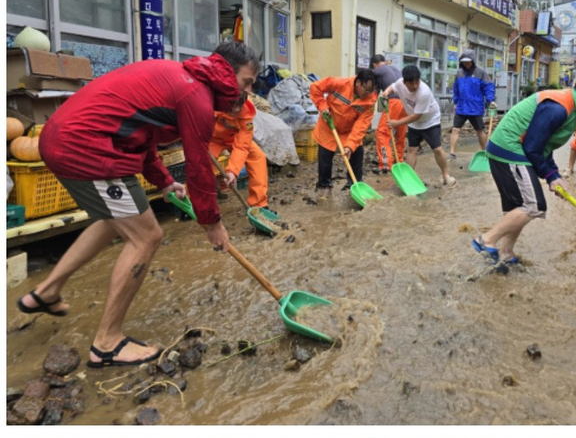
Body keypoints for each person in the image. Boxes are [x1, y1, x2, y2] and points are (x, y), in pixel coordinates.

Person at [18, 42, 258, 368]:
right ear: (228, 72)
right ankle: (107, 343)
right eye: (246, 83)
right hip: (86, 147)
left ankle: (46, 291)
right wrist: (212, 223)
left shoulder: (183, 79)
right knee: (146, 236)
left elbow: (143, 134)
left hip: (67, 139)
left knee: (111, 221)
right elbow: (198, 165)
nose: (247, 92)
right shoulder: (195, 97)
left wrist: (163, 182)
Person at [472, 67, 576, 268]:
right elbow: (533, 147)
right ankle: (486, 240)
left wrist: (553, 175)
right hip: (509, 149)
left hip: (510, 149)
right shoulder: (558, 108)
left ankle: (505, 252)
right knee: (534, 205)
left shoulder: (571, 109)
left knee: (518, 207)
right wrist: (550, 176)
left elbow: (545, 147)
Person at [382, 65, 456, 187]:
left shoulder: (424, 92)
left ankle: (446, 175)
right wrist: (386, 92)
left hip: (430, 121)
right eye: (411, 83)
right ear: (405, 82)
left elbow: (416, 116)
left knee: (437, 149)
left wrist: (396, 123)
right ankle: (410, 179)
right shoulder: (400, 83)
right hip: (414, 123)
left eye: (417, 82)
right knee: (412, 150)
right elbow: (392, 87)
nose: (415, 86)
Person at [309, 69, 377, 189]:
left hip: (349, 131)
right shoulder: (340, 83)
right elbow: (315, 88)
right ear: (358, 83)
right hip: (329, 126)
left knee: (357, 153)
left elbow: (361, 126)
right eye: (366, 89)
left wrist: (350, 146)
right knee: (325, 159)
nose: (368, 93)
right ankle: (324, 186)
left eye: (371, 90)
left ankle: (354, 184)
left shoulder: (370, 102)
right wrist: (323, 106)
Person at [210, 87, 272, 212]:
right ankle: (191, 202)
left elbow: (242, 145)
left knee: (258, 157)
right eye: (232, 109)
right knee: (202, 163)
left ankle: (259, 204)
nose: (236, 111)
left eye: (238, 108)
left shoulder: (246, 115)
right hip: (212, 139)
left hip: (235, 139)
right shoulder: (211, 105)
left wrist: (232, 171)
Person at [449, 49, 495, 159]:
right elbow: (456, 89)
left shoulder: (481, 73)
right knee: (455, 129)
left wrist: (490, 100)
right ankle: (452, 153)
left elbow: (488, 87)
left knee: (479, 131)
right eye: (464, 61)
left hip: (475, 107)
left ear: (473, 61)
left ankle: (484, 152)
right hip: (461, 107)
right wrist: (455, 101)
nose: (466, 63)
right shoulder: (459, 73)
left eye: (468, 61)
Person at [370, 53, 406, 172]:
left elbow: (366, 78)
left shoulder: (378, 70)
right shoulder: (395, 69)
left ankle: (385, 164)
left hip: (392, 101)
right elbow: (381, 93)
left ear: (375, 64)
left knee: (382, 132)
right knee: (400, 132)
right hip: (405, 103)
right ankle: (398, 160)